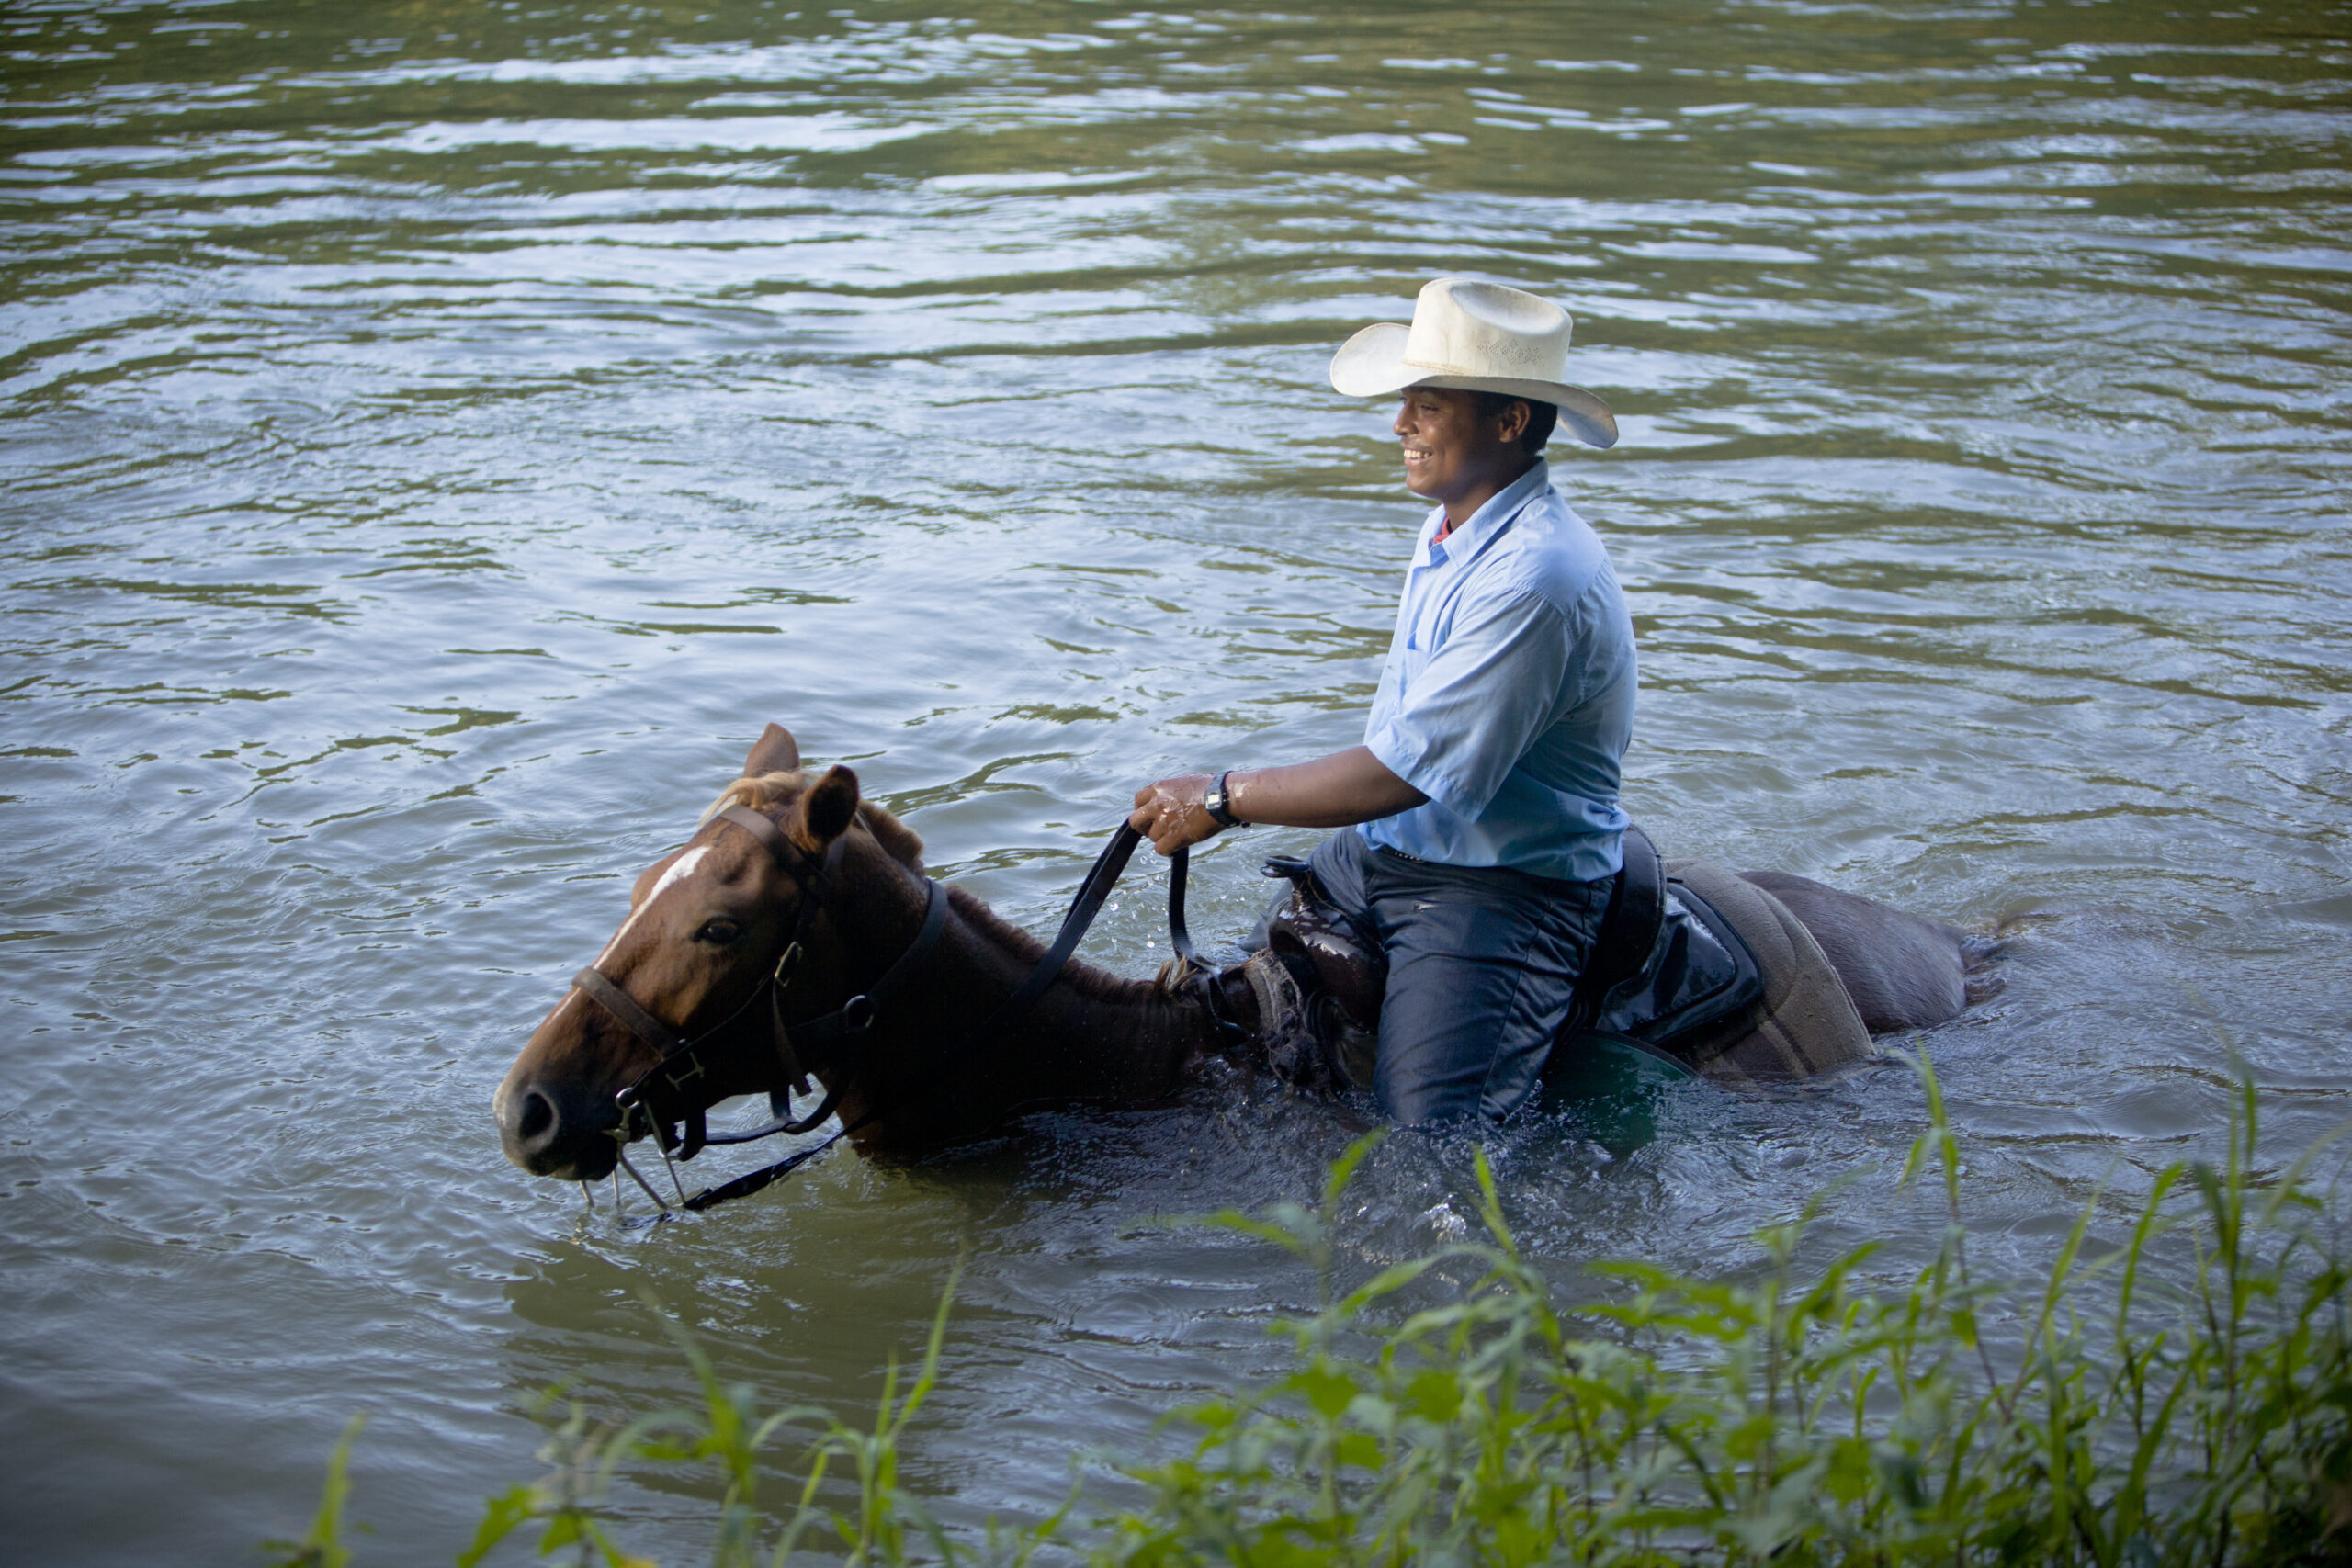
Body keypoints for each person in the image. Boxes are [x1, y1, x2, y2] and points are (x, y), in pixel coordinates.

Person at [1127, 276, 1636, 1124]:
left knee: (1424, 1145)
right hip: (1386, 848)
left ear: (1509, 422)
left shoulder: (1537, 576)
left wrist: (1220, 797)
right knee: (1225, 1010)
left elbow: (1405, 771)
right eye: (1406, 402)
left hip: (1502, 884)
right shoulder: (1453, 525)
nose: (1400, 424)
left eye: (1426, 406)